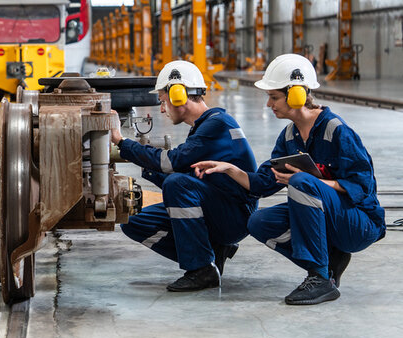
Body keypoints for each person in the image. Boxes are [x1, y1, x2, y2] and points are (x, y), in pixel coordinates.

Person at [192, 54, 385, 305]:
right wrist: (228, 168)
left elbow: (362, 187)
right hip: (332, 221)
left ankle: (318, 277)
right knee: (260, 221)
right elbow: (262, 183)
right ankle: (328, 265)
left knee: (300, 183)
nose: (268, 105)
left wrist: (311, 181)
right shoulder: (290, 136)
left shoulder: (336, 130)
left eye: (273, 97)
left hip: (360, 224)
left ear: (296, 95)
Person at [110, 61, 258, 292]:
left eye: (162, 101)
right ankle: (212, 252)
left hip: (234, 215)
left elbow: (173, 164)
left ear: (178, 95)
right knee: (135, 222)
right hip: (216, 206)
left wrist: (122, 142)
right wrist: (141, 160)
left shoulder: (217, 124)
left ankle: (201, 269)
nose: (161, 109)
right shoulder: (204, 126)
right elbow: (183, 170)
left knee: (177, 184)